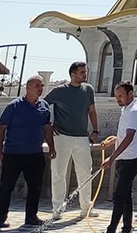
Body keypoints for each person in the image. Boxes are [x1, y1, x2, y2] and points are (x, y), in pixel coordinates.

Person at [0, 75, 54, 229]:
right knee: (7, 186)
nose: (40, 89)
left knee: (35, 186)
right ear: (28, 88)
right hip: (14, 154)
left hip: (35, 154)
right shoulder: (14, 106)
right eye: (37, 86)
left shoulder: (44, 106)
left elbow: (47, 128)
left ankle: (31, 216)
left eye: (41, 86)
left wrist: (52, 147)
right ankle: (0, 218)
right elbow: (2, 128)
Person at [45, 61, 99, 219]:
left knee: (85, 172)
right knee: (58, 173)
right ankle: (57, 209)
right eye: (82, 72)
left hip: (82, 137)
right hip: (61, 137)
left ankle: (86, 207)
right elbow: (42, 105)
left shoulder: (88, 89)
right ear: (73, 74)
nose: (85, 75)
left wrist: (95, 130)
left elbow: (92, 110)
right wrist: (48, 125)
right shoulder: (59, 91)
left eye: (85, 72)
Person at [101, 82, 137, 233]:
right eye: (116, 96)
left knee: (119, 195)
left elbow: (129, 137)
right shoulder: (127, 109)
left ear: (130, 94)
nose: (118, 99)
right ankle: (127, 227)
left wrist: (111, 158)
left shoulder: (134, 111)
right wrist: (113, 141)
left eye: (121, 96)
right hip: (125, 158)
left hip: (131, 160)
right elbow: (125, 135)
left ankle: (111, 229)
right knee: (126, 195)